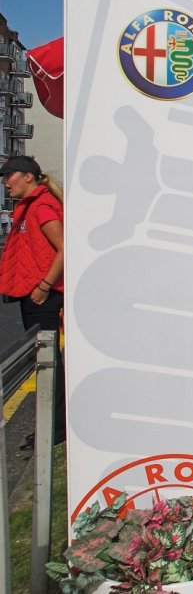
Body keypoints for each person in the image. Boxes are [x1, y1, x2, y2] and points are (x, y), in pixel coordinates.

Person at [0, 155, 65, 444]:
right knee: (43, 360)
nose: (5, 182)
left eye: (9, 175)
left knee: (49, 361)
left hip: (45, 296)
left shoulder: (42, 206)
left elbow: (64, 248)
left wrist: (44, 285)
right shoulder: (27, 208)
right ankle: (53, 427)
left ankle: (57, 430)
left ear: (28, 176)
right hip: (35, 295)